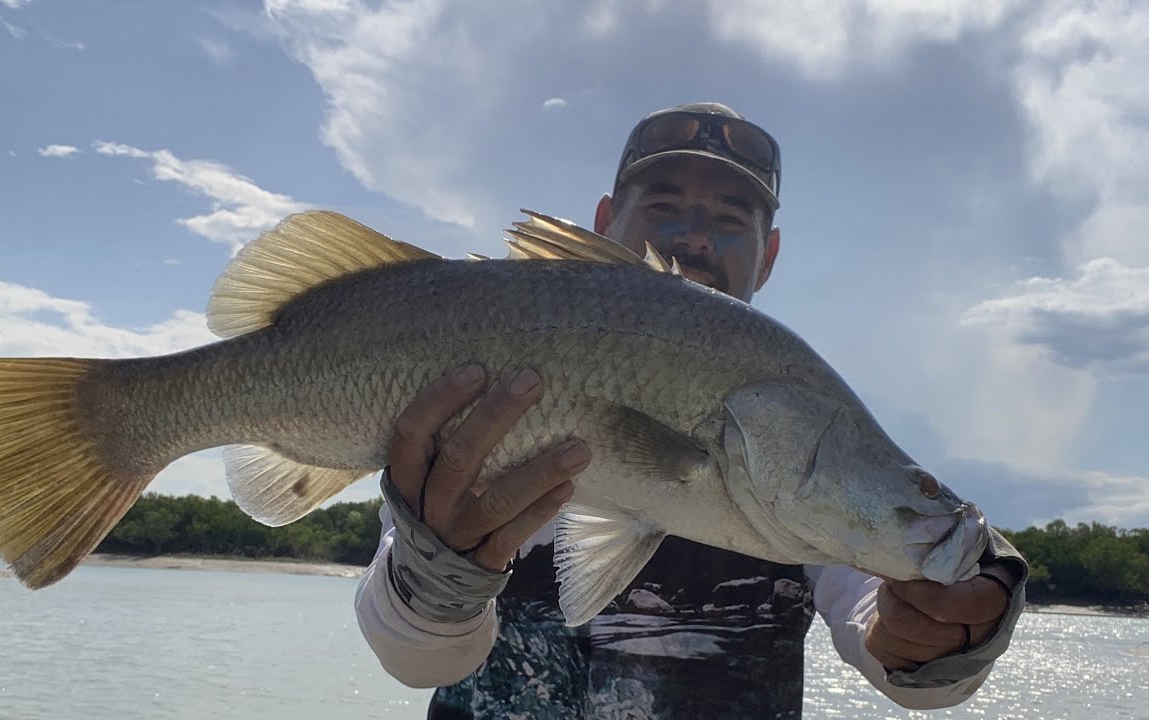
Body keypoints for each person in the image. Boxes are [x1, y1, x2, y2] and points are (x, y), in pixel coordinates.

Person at [353, 102, 1028, 719]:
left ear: (768, 255)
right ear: (603, 223)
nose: (695, 236)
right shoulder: (483, 373)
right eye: (663, 204)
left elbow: (903, 663)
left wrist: (952, 628)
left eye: (731, 219)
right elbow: (416, 661)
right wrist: (438, 576)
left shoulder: (801, 462)